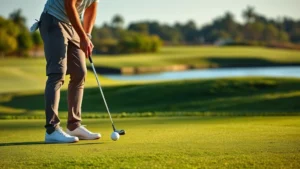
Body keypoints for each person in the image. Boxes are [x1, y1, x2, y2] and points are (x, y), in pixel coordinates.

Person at [36, 0, 101, 143]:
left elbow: (91, 7)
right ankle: (52, 130)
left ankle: (74, 126)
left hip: (72, 24)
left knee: (80, 73)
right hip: (54, 19)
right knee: (57, 73)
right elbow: (69, 4)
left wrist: (87, 35)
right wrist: (82, 36)